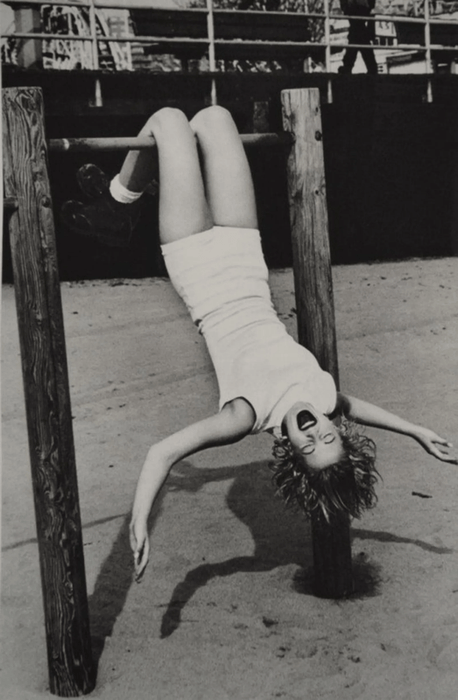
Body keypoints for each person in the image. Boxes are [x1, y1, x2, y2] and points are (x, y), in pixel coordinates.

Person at [61, 106, 456, 583]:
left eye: (309, 445)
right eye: (328, 437)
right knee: (212, 119)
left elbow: (162, 453)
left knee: (168, 122)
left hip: (196, 262)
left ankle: (119, 204)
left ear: (291, 451)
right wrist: (416, 431)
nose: (315, 432)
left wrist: (141, 518)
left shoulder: (245, 415)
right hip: (244, 253)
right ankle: (125, 201)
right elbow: (358, 407)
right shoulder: (324, 398)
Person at [339, 0, 378, 75]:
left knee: (356, 40)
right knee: (361, 41)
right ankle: (371, 68)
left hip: (356, 15)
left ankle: (348, 67)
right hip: (359, 16)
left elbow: (345, 7)